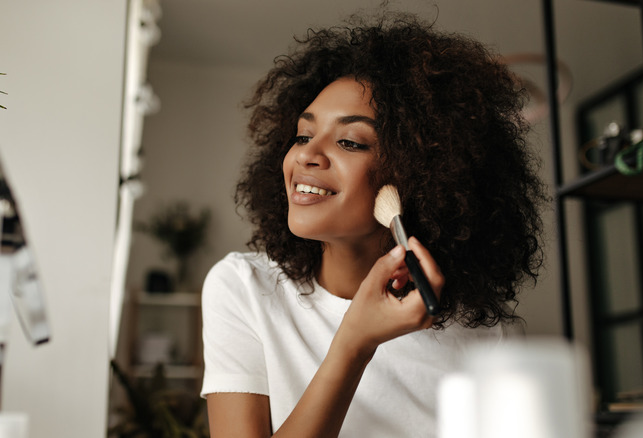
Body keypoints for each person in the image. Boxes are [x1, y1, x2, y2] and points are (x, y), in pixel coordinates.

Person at [200, 11, 547, 437]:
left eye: (350, 142)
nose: (307, 155)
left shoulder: (486, 336)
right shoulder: (245, 288)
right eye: (303, 135)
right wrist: (354, 344)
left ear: (421, 175)